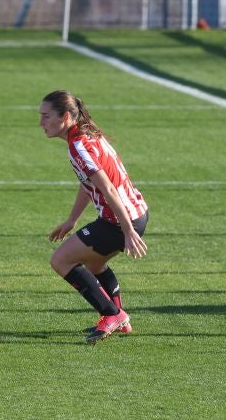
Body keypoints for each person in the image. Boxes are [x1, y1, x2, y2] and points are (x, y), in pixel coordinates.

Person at [38, 90, 149, 343]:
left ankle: (112, 314)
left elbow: (108, 189)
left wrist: (128, 231)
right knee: (95, 264)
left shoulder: (79, 146)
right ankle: (120, 320)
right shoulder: (88, 135)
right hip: (136, 214)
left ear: (65, 116)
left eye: (46, 116)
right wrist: (71, 220)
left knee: (61, 261)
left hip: (121, 222)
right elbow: (90, 184)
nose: (41, 123)